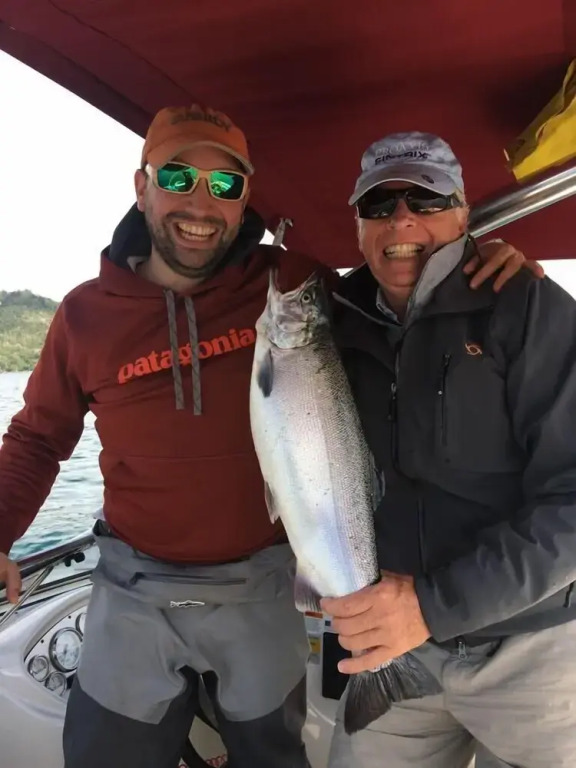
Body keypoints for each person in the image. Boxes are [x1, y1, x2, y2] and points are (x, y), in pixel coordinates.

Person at [0, 106, 536, 768]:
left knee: (272, 756)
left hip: (264, 584)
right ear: (142, 186)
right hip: (131, 585)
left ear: (245, 197)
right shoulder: (85, 315)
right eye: (178, 177)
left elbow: (401, 290)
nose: (201, 203)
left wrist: (486, 267)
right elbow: (37, 439)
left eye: (225, 184)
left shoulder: (294, 281)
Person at [323, 131, 576, 768]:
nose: (401, 218)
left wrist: (432, 608)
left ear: (463, 214)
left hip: (533, 650)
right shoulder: (329, 324)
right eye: (379, 204)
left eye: (426, 199)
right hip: (392, 649)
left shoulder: (530, 308)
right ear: (359, 227)